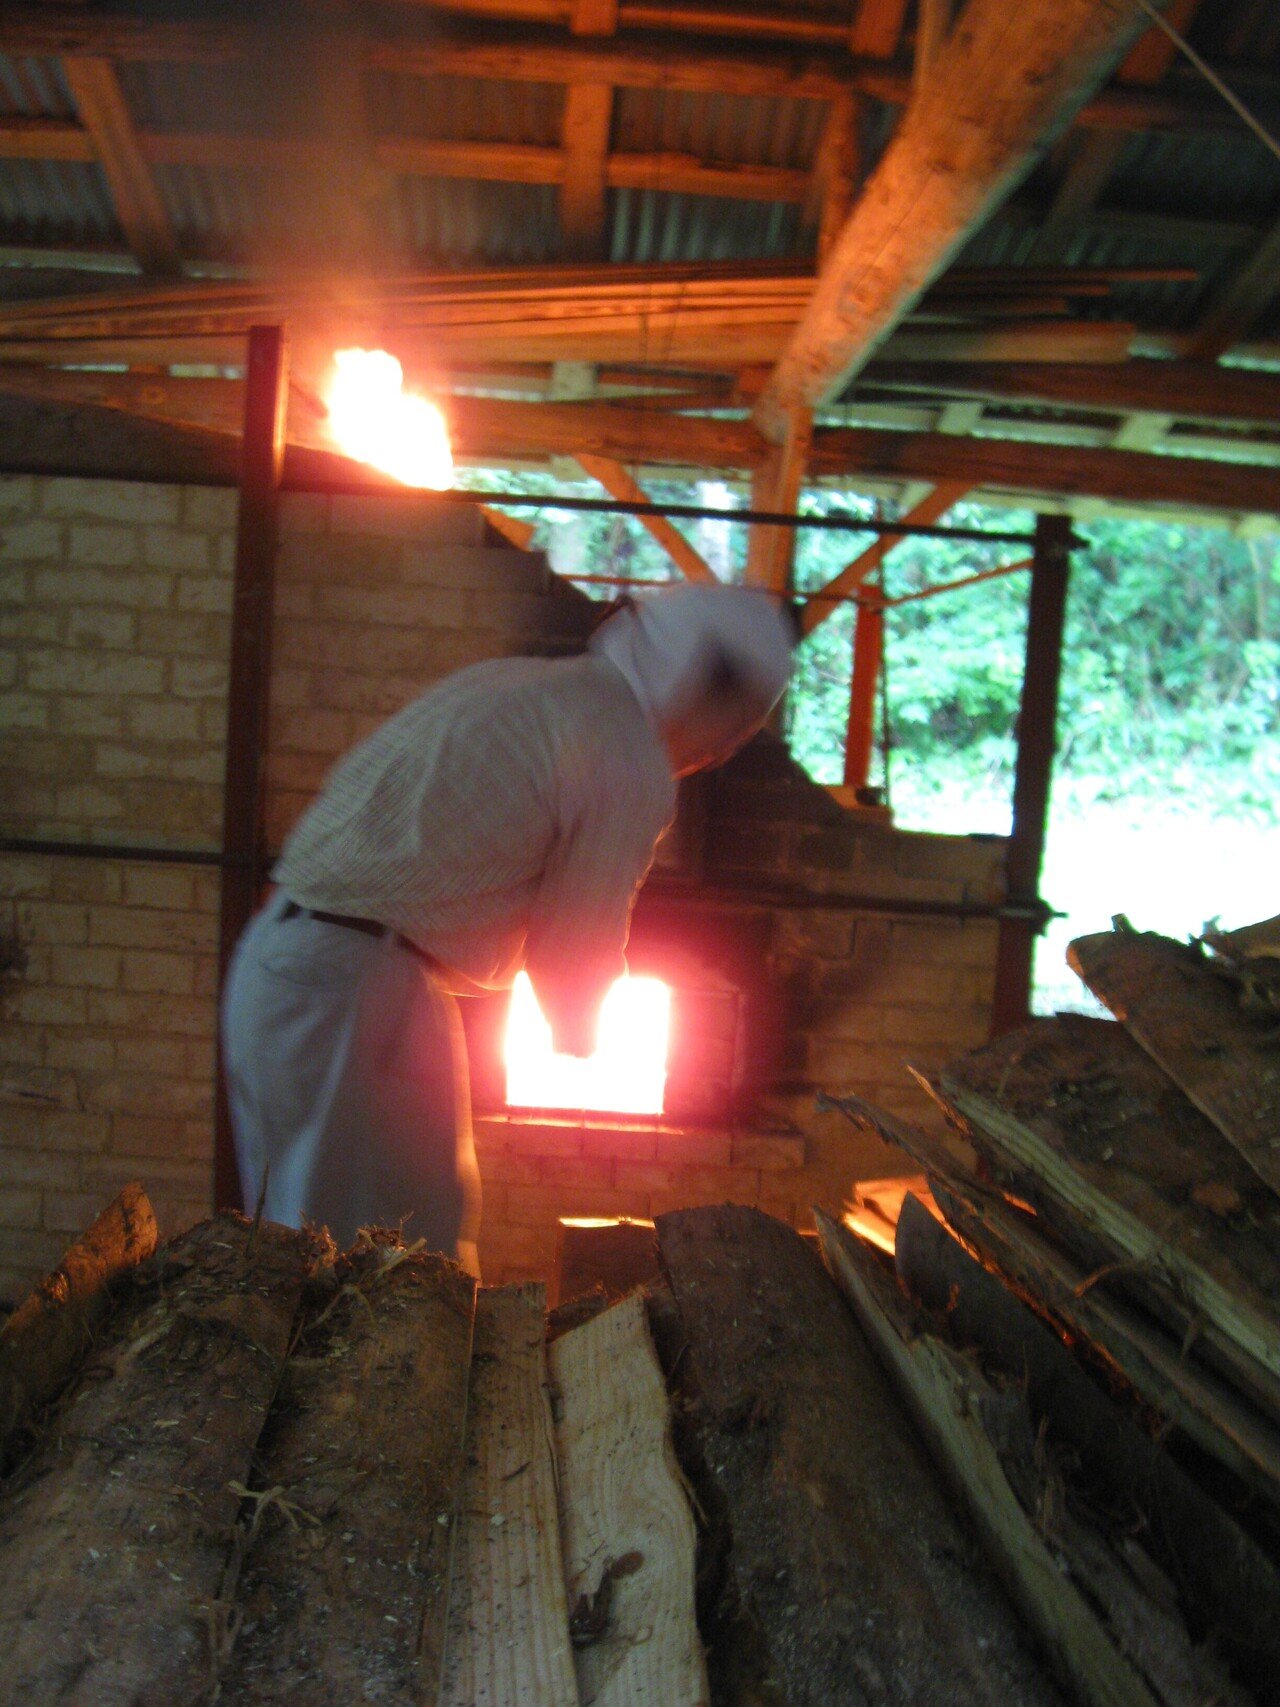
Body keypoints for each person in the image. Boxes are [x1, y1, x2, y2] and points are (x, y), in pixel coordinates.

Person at [220, 582, 795, 1271]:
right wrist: (586, 1043)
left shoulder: (520, 684)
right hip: (350, 987)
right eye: (734, 725)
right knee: (370, 1269)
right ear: (699, 688)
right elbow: (575, 952)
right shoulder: (625, 749)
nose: (724, 750)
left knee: (363, 1241)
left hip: (292, 963)